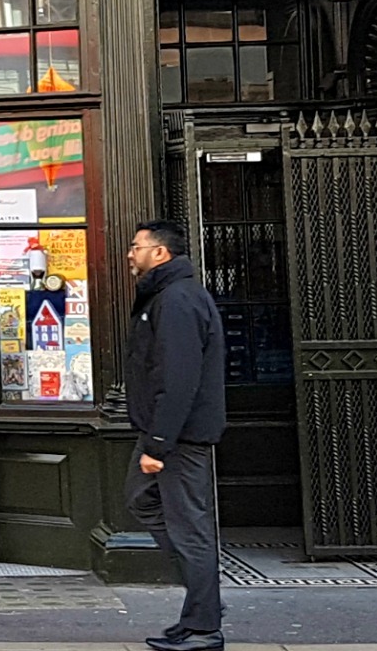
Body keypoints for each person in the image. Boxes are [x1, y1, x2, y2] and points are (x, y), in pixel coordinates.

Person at [125, 220, 227, 651]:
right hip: (162, 432)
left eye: (136, 247)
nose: (130, 254)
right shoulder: (164, 297)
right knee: (141, 499)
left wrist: (159, 444)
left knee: (190, 528)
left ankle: (205, 627)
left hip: (176, 438)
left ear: (160, 253)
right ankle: (203, 604)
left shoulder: (178, 300)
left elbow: (178, 376)